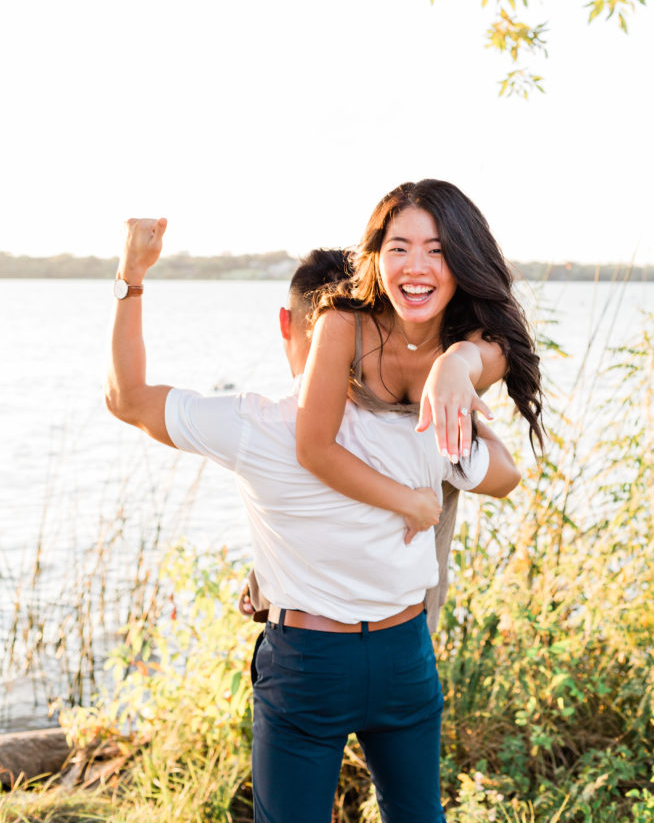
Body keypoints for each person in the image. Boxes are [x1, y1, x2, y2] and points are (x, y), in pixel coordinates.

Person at [106, 218, 521, 823]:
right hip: (404, 653)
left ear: (289, 326)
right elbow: (505, 475)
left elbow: (126, 398)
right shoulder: (422, 422)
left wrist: (131, 278)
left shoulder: (253, 424)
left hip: (308, 661)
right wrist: (456, 390)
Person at [295, 179, 543, 525]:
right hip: (346, 538)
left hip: (421, 552)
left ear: (463, 260)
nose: (415, 267)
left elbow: (508, 480)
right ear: (376, 256)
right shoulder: (343, 325)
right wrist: (408, 503)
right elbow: (313, 449)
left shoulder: (483, 340)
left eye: (436, 250)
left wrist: (454, 363)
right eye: (399, 249)